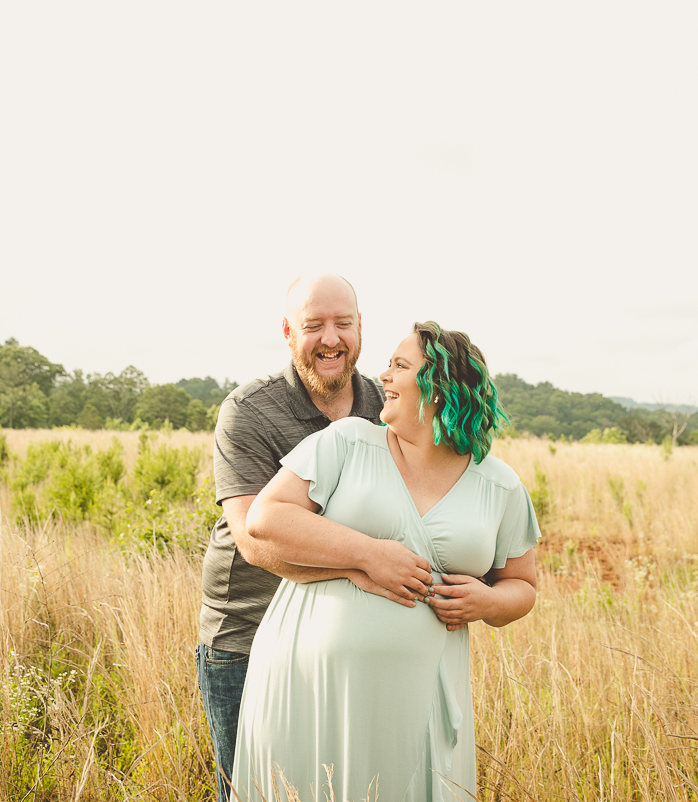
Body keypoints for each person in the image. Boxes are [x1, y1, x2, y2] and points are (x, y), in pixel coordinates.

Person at [232, 322, 541, 802]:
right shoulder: (346, 443)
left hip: (418, 700)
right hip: (311, 686)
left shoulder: (498, 485)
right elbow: (266, 519)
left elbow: (522, 586)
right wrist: (368, 555)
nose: (384, 376)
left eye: (400, 366)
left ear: (440, 388)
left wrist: (485, 601)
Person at [198, 273, 416, 802]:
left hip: (347, 638)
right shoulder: (247, 411)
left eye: (343, 323)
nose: (331, 338)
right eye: (314, 325)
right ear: (288, 332)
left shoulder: (384, 406)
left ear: (360, 327)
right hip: (246, 637)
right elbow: (256, 541)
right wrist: (363, 563)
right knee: (258, 791)